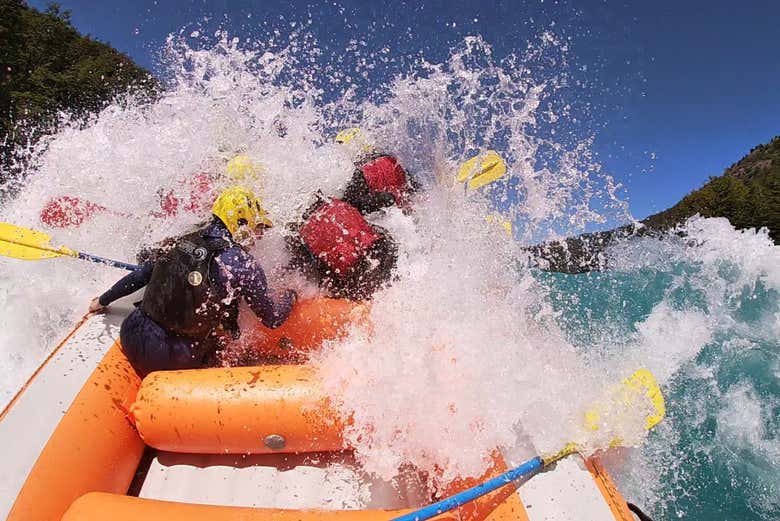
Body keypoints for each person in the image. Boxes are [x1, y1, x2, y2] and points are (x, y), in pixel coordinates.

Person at [90, 186, 297, 377]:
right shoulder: (242, 264)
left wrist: (103, 300)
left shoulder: (183, 239)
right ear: (242, 223)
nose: (259, 236)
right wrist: (292, 295)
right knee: (229, 346)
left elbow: (140, 276)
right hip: (168, 359)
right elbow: (272, 319)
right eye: (259, 227)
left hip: (130, 333)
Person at [286, 132, 418, 300]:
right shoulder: (391, 164)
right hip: (374, 248)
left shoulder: (356, 179)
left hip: (356, 259)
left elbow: (353, 203)